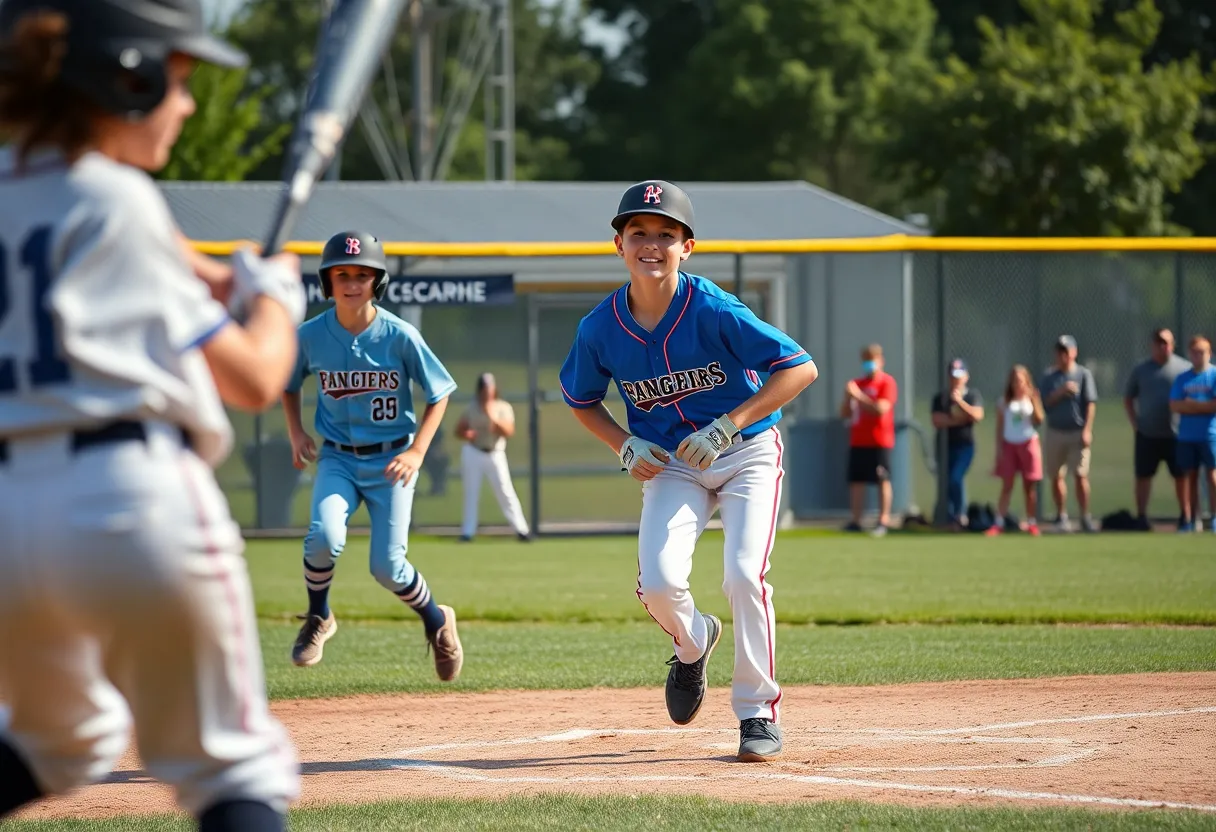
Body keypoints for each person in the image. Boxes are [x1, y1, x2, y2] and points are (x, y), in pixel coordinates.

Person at [0, 1, 304, 829]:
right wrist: (275, 297)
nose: (188, 104)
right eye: (175, 82)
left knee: (59, 736)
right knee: (233, 765)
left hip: (9, 523)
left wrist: (230, 275)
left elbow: (160, 254)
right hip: (131, 500)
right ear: (122, 80)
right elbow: (253, 376)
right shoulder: (122, 197)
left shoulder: (25, 188)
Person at [559, 180, 817, 763]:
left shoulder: (713, 308)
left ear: (687, 247)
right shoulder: (600, 328)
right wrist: (624, 444)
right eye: (639, 233)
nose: (652, 244)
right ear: (618, 245)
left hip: (746, 450)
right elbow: (580, 398)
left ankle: (756, 713)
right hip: (672, 465)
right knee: (657, 583)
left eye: (666, 235)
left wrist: (729, 423)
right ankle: (693, 641)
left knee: (744, 576)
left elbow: (799, 368)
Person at [282, 230, 464, 680]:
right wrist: (296, 432)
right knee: (323, 536)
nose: (351, 283)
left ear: (376, 282)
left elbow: (439, 392)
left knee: (387, 568)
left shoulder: (399, 335)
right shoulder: (310, 335)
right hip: (338, 459)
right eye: (341, 274)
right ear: (327, 281)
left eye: (362, 274)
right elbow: (287, 383)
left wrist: (419, 451)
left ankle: (437, 621)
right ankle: (319, 616)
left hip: (391, 461)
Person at [1124, 328, 1191, 531]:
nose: (1164, 346)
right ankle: (1142, 517)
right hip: (1147, 434)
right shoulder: (1141, 369)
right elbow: (1128, 398)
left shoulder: (1184, 368)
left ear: (1173, 344)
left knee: (1181, 476)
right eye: (1160, 342)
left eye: (1168, 342)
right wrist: (1136, 423)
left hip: (1176, 435)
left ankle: (1186, 517)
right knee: (1143, 476)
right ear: (1153, 345)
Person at [456, 372, 531, 541]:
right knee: (471, 492)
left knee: (505, 491)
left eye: (489, 387)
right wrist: (467, 433)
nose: (486, 391)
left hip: (495, 452)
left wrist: (492, 417)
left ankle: (521, 530)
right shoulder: (471, 407)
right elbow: (459, 430)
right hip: (474, 451)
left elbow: (509, 431)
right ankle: (468, 532)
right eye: (484, 388)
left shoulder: (502, 407)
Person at [1040, 334, 1098, 532]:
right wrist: (1060, 392)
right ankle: (1061, 516)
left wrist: (1087, 430)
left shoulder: (1083, 374)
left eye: (1065, 351)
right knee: (1056, 477)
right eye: (1059, 352)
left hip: (1077, 432)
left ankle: (1084, 516)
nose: (1062, 355)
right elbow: (1043, 404)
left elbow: (1090, 403)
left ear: (1074, 353)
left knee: (1081, 475)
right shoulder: (1049, 377)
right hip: (1055, 432)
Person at [840, 344, 899, 536]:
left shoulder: (886, 383)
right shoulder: (857, 383)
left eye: (872, 359)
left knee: (882, 479)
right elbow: (844, 413)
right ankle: (856, 521)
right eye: (866, 359)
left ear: (881, 361)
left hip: (879, 440)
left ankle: (883, 520)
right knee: (857, 480)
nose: (869, 364)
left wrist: (858, 396)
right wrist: (847, 397)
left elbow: (881, 409)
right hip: (858, 440)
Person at [987, 365, 1045, 536]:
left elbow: (1039, 419)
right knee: (1007, 486)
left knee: (1029, 487)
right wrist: (999, 450)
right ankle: (998, 523)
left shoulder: (1031, 399)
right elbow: (999, 428)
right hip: (1009, 445)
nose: (1018, 384)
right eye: (1015, 381)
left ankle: (1032, 522)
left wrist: (1035, 400)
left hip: (1028, 443)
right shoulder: (1003, 402)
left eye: (1021, 381)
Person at [1168, 335, 1216, 533]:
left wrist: (1191, 404)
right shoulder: (1183, 378)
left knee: (1212, 477)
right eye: (1195, 352)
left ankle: (1214, 517)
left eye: (1202, 352)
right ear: (1189, 354)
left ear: (1210, 353)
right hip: (1187, 436)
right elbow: (1175, 404)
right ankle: (1192, 518)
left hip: (1210, 435)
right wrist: (1202, 406)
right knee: (1191, 477)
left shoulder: (1213, 375)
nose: (1198, 356)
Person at [930, 358, 984, 528]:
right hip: (944, 446)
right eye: (953, 376)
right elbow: (937, 420)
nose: (956, 380)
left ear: (966, 377)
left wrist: (960, 403)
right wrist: (961, 419)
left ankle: (961, 514)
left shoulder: (972, 395)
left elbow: (977, 416)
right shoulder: (941, 398)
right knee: (946, 481)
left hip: (964, 445)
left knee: (955, 478)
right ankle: (948, 516)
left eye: (959, 376)